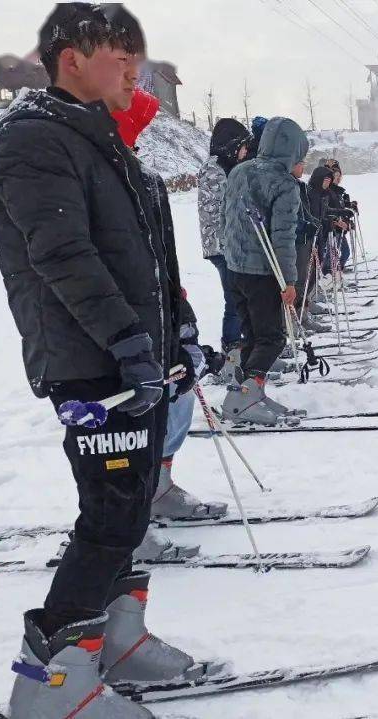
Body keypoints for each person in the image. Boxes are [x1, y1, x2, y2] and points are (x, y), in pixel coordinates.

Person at [0, 5, 203, 716]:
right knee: (110, 514)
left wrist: (180, 333)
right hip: (90, 361)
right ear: (70, 56)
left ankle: (117, 638)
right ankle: (49, 683)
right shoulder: (34, 140)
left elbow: (148, 260)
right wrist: (127, 342)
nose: (130, 68)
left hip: (131, 356)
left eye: (135, 57)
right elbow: (63, 256)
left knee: (132, 505)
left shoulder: (104, 140)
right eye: (117, 55)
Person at [114, 90, 229, 522]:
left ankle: (158, 488)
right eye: (134, 135)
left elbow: (158, 258)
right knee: (134, 417)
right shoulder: (104, 180)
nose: (139, 146)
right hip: (120, 321)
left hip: (158, 308)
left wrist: (179, 311)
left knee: (176, 392)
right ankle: (127, 512)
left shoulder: (139, 177)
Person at [220, 116, 310, 425]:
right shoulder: (285, 184)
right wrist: (289, 281)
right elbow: (283, 237)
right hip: (262, 272)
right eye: (300, 158)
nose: (301, 165)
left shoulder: (238, 171)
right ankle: (246, 397)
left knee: (253, 336)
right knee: (271, 339)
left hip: (235, 269)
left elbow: (225, 218)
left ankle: (245, 395)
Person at [198, 118, 252, 364]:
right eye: (241, 146)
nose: (244, 152)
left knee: (239, 295)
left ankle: (241, 343)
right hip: (221, 244)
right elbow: (223, 208)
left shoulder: (227, 167)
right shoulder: (213, 170)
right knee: (233, 297)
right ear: (229, 145)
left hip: (232, 243)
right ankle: (231, 346)